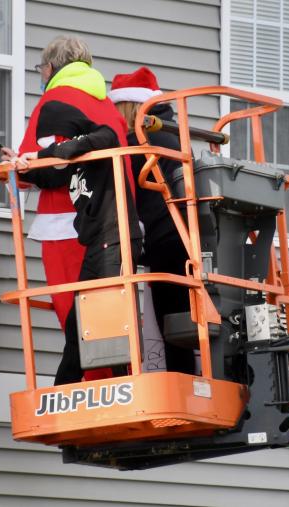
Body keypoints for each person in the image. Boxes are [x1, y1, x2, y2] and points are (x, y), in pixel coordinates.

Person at [4, 36, 141, 384]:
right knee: (107, 316)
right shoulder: (105, 104)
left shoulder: (55, 100)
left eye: (41, 69)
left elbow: (49, 170)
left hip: (67, 224)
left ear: (50, 68)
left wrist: (19, 169)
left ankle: (89, 390)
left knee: (75, 316)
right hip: (115, 222)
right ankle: (113, 381)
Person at [110, 67, 196, 375]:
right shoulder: (172, 133)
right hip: (186, 238)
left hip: (165, 241)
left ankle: (181, 385)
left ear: (130, 106)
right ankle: (187, 381)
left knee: (171, 325)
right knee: (184, 324)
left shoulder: (140, 140)